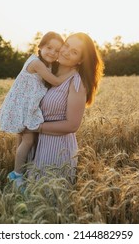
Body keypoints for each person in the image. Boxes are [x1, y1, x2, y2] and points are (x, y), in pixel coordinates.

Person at [0, 31, 77, 187]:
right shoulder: (37, 63)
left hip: (27, 104)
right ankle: (17, 175)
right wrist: (73, 72)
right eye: (49, 47)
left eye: (57, 50)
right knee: (28, 139)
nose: (52, 53)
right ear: (40, 46)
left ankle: (22, 172)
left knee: (23, 139)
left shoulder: (45, 63)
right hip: (24, 107)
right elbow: (56, 81)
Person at [27, 32, 104, 183]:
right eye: (66, 45)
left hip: (56, 148)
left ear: (80, 60)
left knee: (49, 200)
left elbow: (72, 125)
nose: (66, 52)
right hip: (33, 144)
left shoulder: (76, 82)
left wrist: (35, 127)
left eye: (74, 52)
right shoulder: (46, 71)